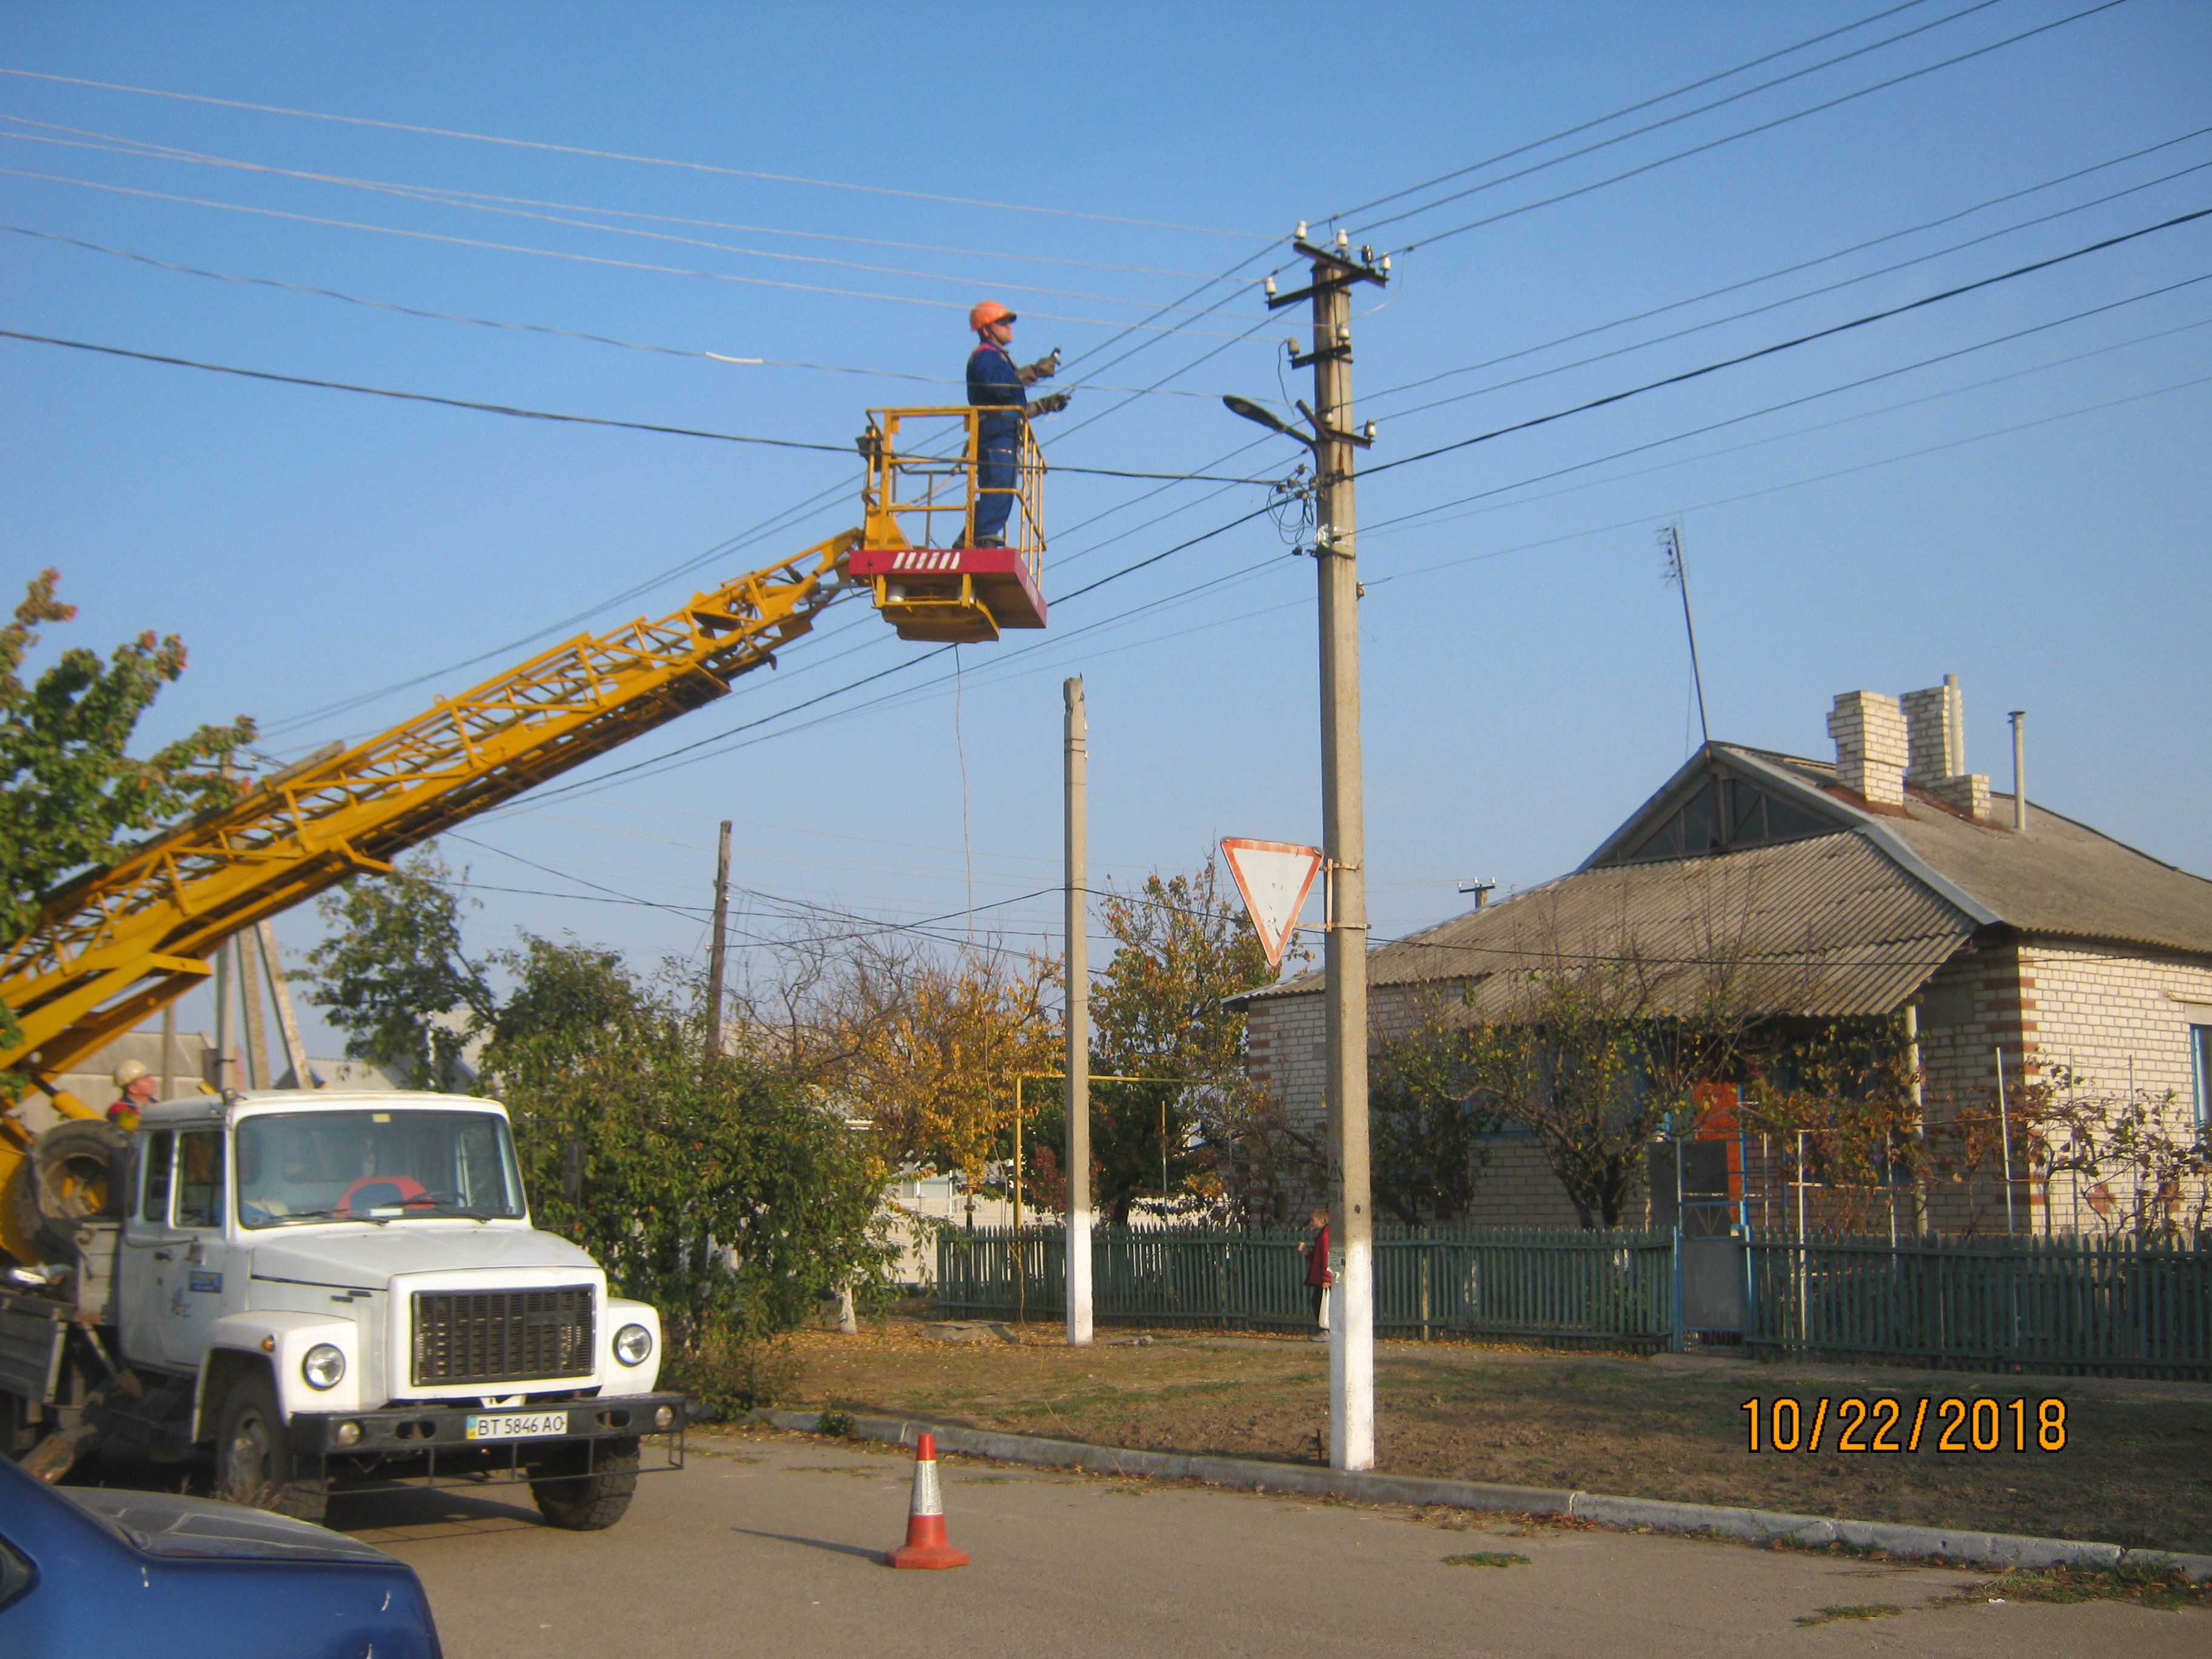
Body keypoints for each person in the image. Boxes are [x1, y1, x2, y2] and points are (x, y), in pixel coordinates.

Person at [965, 300, 1068, 547]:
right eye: (1003, 322)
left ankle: (967, 538)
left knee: (1001, 488)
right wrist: (1034, 371)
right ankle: (984, 540)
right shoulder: (985, 357)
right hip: (995, 432)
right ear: (986, 329)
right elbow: (1001, 388)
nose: (1009, 327)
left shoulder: (998, 359)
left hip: (1003, 430)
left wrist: (1044, 405)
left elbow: (1013, 406)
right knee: (999, 486)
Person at [1305, 1206, 1333, 1341]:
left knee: (1320, 1303)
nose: (1311, 1223)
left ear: (1322, 1220)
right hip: (1321, 1277)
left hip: (1324, 1278)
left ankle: (1326, 1331)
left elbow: (1327, 1256)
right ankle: (1326, 1330)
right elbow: (1318, 1258)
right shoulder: (1323, 1234)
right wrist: (1307, 1254)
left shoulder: (1325, 1235)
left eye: (1313, 1220)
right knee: (1320, 1302)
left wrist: (1327, 1278)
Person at [107, 1059, 159, 1129]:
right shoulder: (119, 1111)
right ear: (133, 1089)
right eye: (145, 1078)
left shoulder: (158, 1106)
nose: (152, 1081)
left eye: (149, 1077)